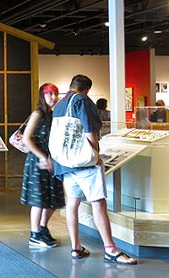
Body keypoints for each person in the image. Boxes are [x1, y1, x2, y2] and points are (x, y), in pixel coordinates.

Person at [52, 74, 137, 264]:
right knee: (98, 203)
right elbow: (90, 130)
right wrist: (96, 155)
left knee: (72, 203)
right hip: (84, 162)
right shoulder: (82, 101)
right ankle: (110, 249)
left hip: (65, 162)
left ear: (71, 85)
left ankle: (76, 247)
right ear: (87, 89)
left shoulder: (60, 104)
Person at [20, 83, 64, 248]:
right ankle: (35, 234)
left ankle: (42, 228)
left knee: (53, 199)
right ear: (42, 95)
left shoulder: (51, 115)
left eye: (55, 94)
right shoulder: (38, 114)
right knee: (38, 200)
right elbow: (26, 139)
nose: (53, 97)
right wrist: (43, 157)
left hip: (51, 162)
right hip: (38, 163)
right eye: (49, 94)